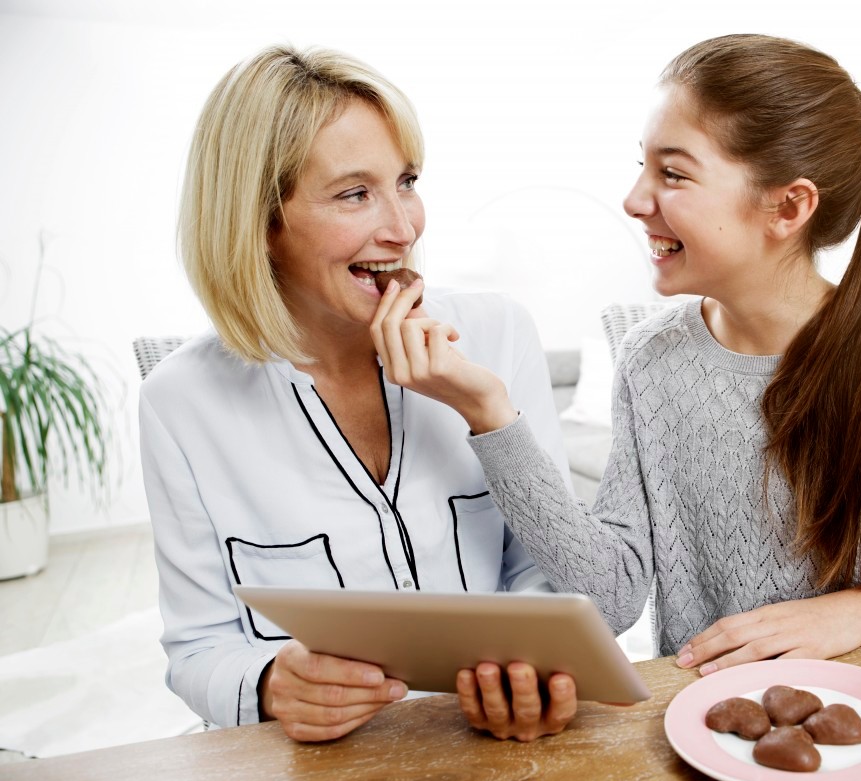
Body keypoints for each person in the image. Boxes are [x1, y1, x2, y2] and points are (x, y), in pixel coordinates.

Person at [373, 34, 861, 674]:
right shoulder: (650, 358)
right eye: (642, 167)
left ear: (788, 208)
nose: (633, 199)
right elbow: (614, 595)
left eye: (673, 175)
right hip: (701, 740)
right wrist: (490, 412)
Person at [140, 45, 578, 742]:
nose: (403, 228)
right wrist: (271, 684)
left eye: (406, 181)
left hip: (498, 751)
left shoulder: (496, 334)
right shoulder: (180, 401)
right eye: (354, 194)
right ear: (260, 222)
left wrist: (529, 668)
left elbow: (554, 571)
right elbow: (198, 651)